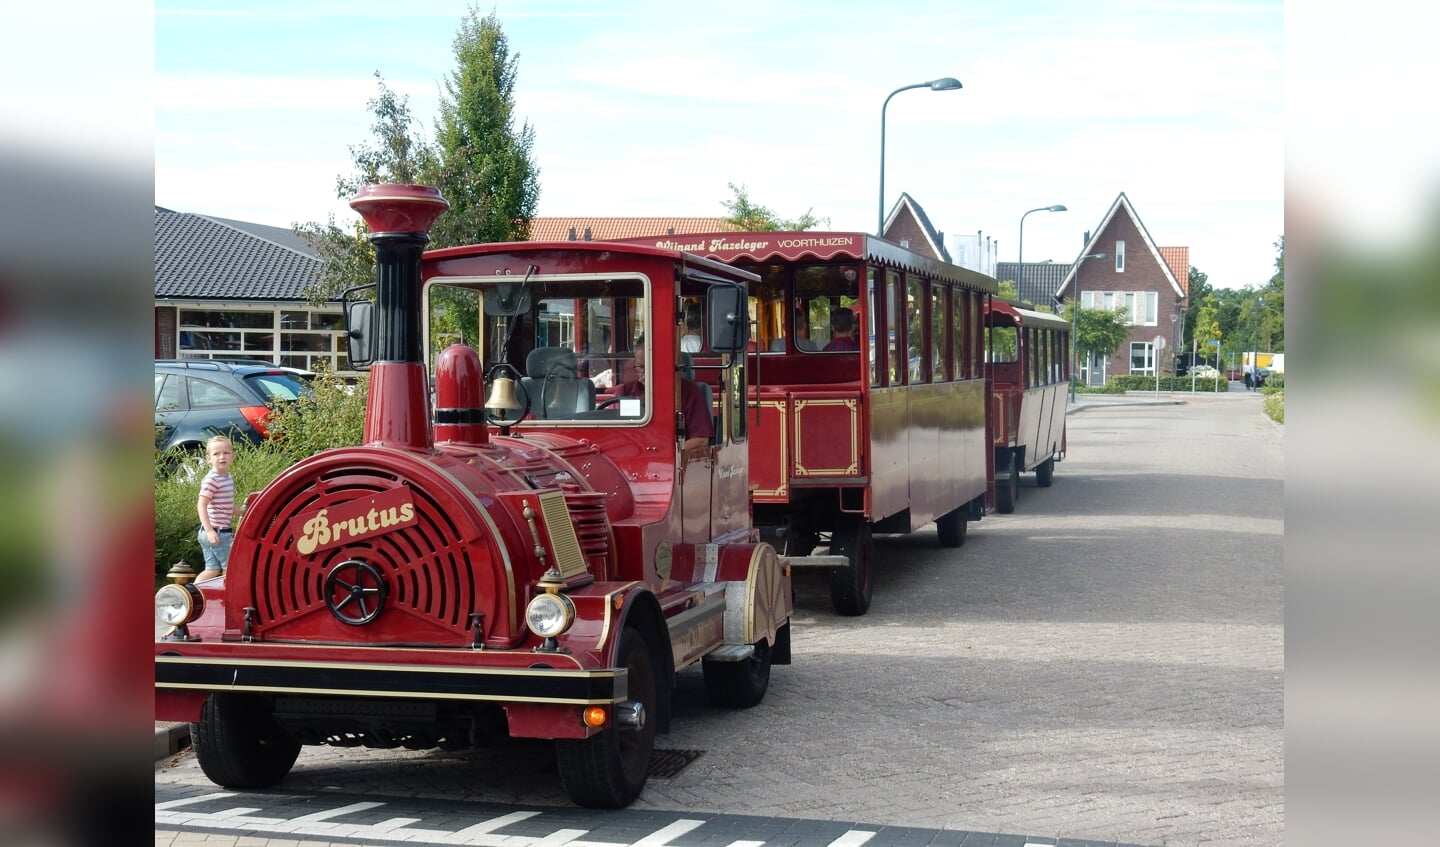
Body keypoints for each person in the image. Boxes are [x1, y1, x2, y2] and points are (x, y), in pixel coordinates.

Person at [617, 341, 714, 459]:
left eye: (652, 367)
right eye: (640, 367)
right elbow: (618, 436)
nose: (645, 373)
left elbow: (701, 441)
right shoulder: (626, 392)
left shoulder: (689, 392)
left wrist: (664, 454)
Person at [195, 434, 237, 582]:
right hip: (217, 532)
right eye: (216, 454)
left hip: (213, 532)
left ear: (233, 456)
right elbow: (201, 505)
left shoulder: (226, 477)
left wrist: (241, 512)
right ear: (208, 458)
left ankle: (194, 594)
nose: (222, 457)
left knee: (212, 569)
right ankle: (226, 600)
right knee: (230, 569)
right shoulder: (212, 479)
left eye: (226, 453)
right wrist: (209, 530)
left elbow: (225, 505)